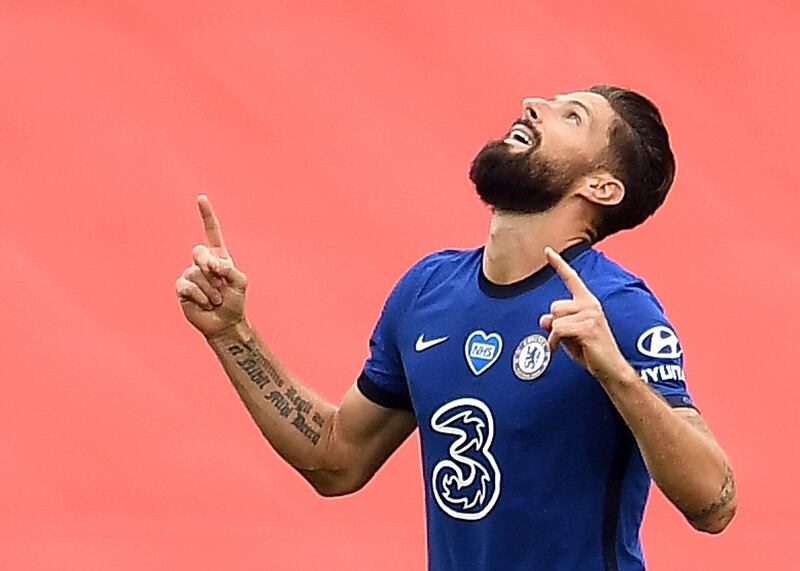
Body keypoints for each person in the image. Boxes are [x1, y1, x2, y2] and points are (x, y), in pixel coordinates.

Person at [175, 85, 737, 570]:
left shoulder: (614, 308)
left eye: (572, 117)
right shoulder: (427, 291)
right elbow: (335, 459)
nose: (533, 104)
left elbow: (715, 503)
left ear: (601, 188)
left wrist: (615, 373)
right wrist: (231, 331)